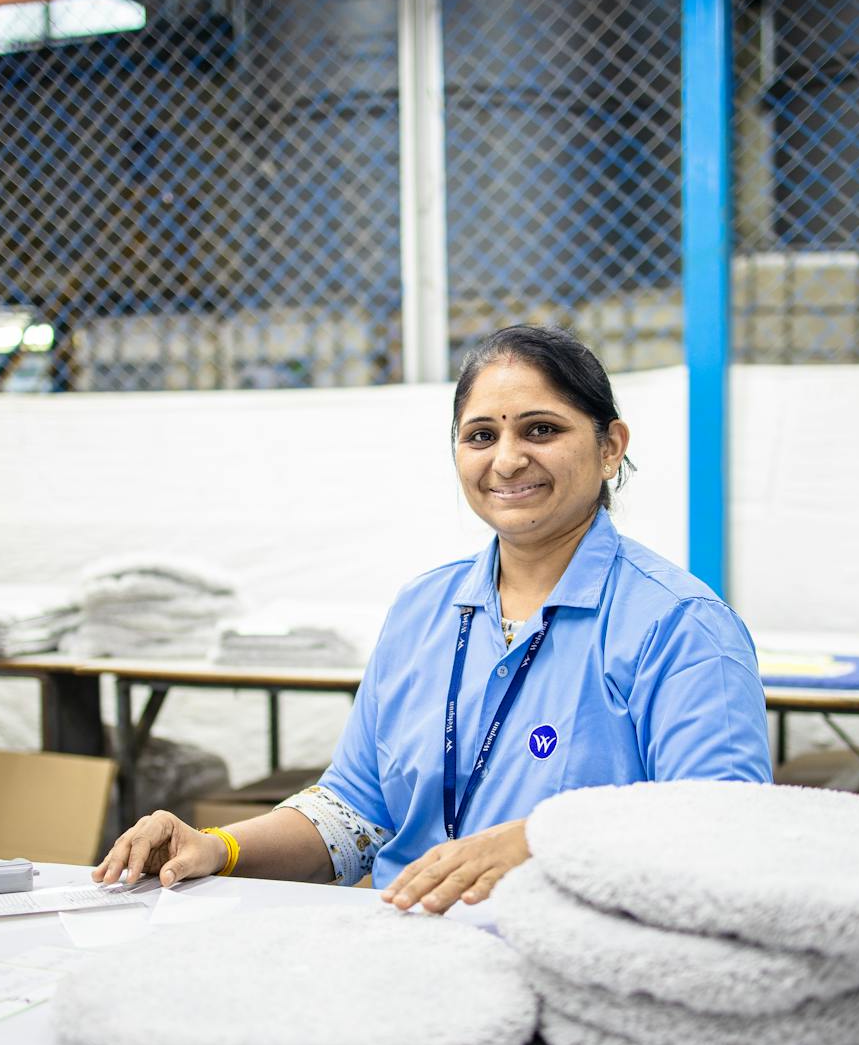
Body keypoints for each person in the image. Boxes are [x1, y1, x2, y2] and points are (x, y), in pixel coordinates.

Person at [92, 324, 772, 912]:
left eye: (542, 429)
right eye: (482, 434)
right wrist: (220, 846)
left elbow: (724, 833)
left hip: (581, 968)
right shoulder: (424, 611)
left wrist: (545, 839)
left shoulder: (681, 629)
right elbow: (356, 813)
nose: (507, 459)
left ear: (609, 446)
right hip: (411, 952)